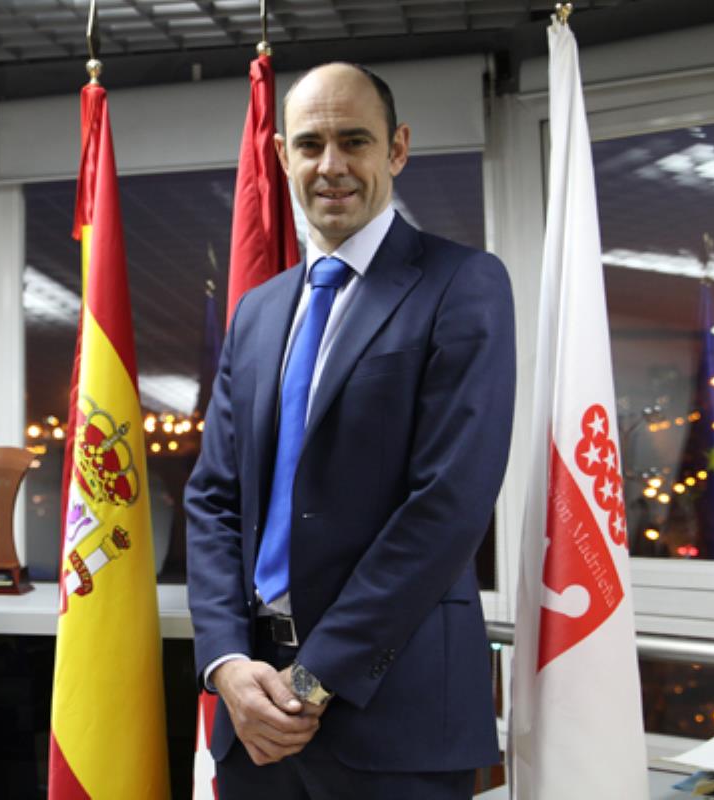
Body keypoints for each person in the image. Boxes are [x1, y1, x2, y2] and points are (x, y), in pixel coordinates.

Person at [185, 62, 516, 798]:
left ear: (396, 149)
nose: (331, 166)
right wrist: (228, 667)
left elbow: (447, 504)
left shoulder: (464, 284)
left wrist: (313, 678)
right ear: (281, 156)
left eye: (354, 141)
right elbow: (212, 499)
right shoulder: (259, 311)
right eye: (310, 145)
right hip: (253, 714)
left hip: (393, 715)